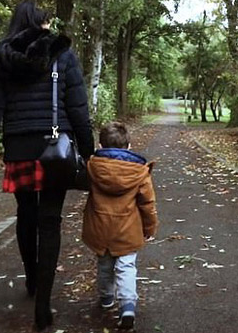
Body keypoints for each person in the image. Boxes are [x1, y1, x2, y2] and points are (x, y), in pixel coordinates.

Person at [0, 0, 94, 331]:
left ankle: (32, 280)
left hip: (19, 149)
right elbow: (77, 108)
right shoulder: (62, 53)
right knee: (50, 221)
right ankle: (43, 305)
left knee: (26, 215)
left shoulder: (1, 59)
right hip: (55, 150)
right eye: (46, 20)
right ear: (41, 23)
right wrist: (89, 153)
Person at [82, 121, 158, 330]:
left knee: (104, 266)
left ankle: (106, 299)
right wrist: (149, 228)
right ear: (129, 146)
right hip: (127, 230)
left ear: (100, 145)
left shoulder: (92, 167)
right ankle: (127, 307)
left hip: (99, 228)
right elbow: (147, 204)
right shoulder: (139, 172)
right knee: (126, 268)